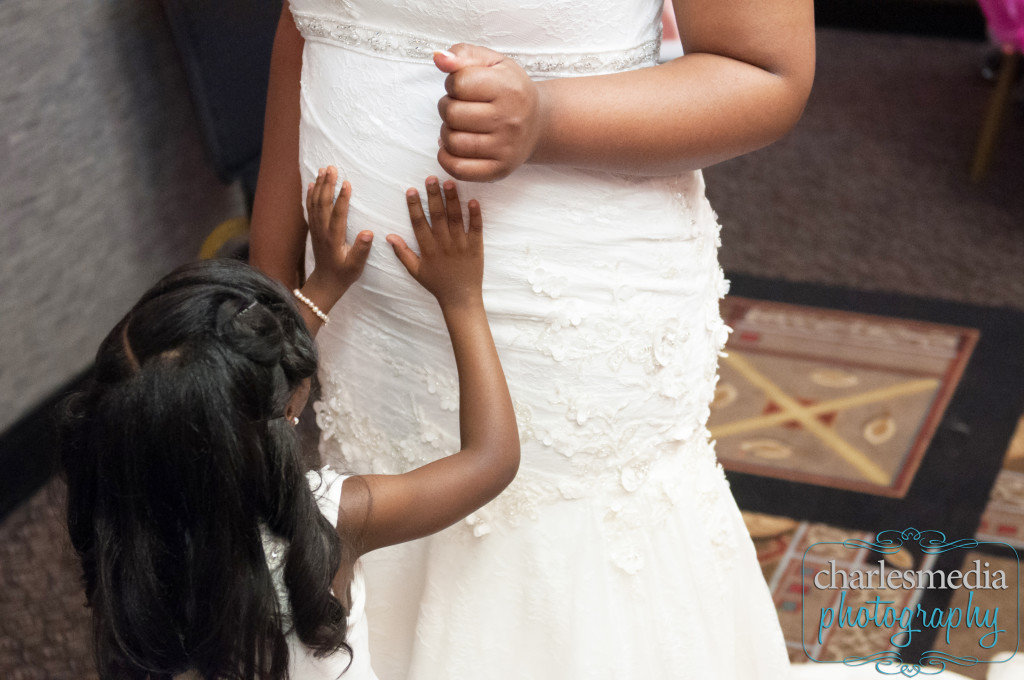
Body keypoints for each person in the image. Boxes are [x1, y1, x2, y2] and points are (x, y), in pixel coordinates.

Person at [249, 1, 815, 678]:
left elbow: (765, 70)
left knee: (558, 589)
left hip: (556, 323)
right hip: (364, 329)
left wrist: (546, 117)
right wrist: (265, 288)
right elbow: (306, 25)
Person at [60, 174, 518, 680]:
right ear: (284, 414)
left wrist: (322, 286)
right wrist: (462, 300)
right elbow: (491, 460)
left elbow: (232, 406)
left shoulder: (123, 521)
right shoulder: (330, 519)